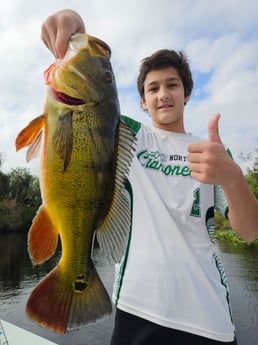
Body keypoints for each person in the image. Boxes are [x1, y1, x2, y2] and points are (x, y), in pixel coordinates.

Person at [41, 10, 258, 345]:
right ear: (142, 101)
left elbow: (250, 230)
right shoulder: (125, 134)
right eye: (152, 88)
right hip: (136, 311)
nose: (163, 94)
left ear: (187, 93)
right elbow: (91, 104)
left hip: (208, 320)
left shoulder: (214, 153)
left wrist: (233, 178)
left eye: (172, 85)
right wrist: (73, 26)